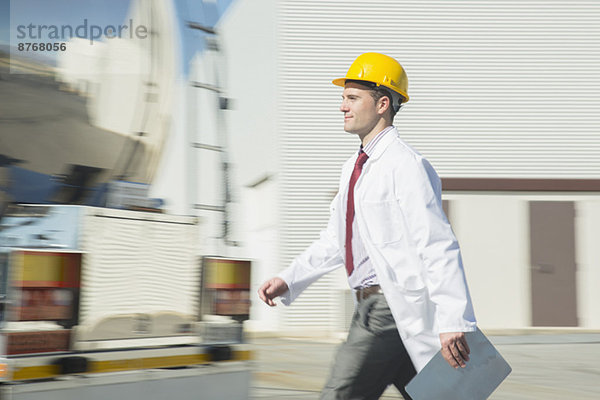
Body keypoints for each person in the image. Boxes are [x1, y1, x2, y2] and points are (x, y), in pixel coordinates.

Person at [258, 52, 477, 400]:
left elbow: (436, 243)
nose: (342, 106)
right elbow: (336, 239)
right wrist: (290, 277)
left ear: (382, 104)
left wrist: (455, 320)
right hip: (371, 309)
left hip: (389, 310)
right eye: (342, 98)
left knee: (339, 394)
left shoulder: (405, 166)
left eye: (352, 97)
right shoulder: (354, 168)